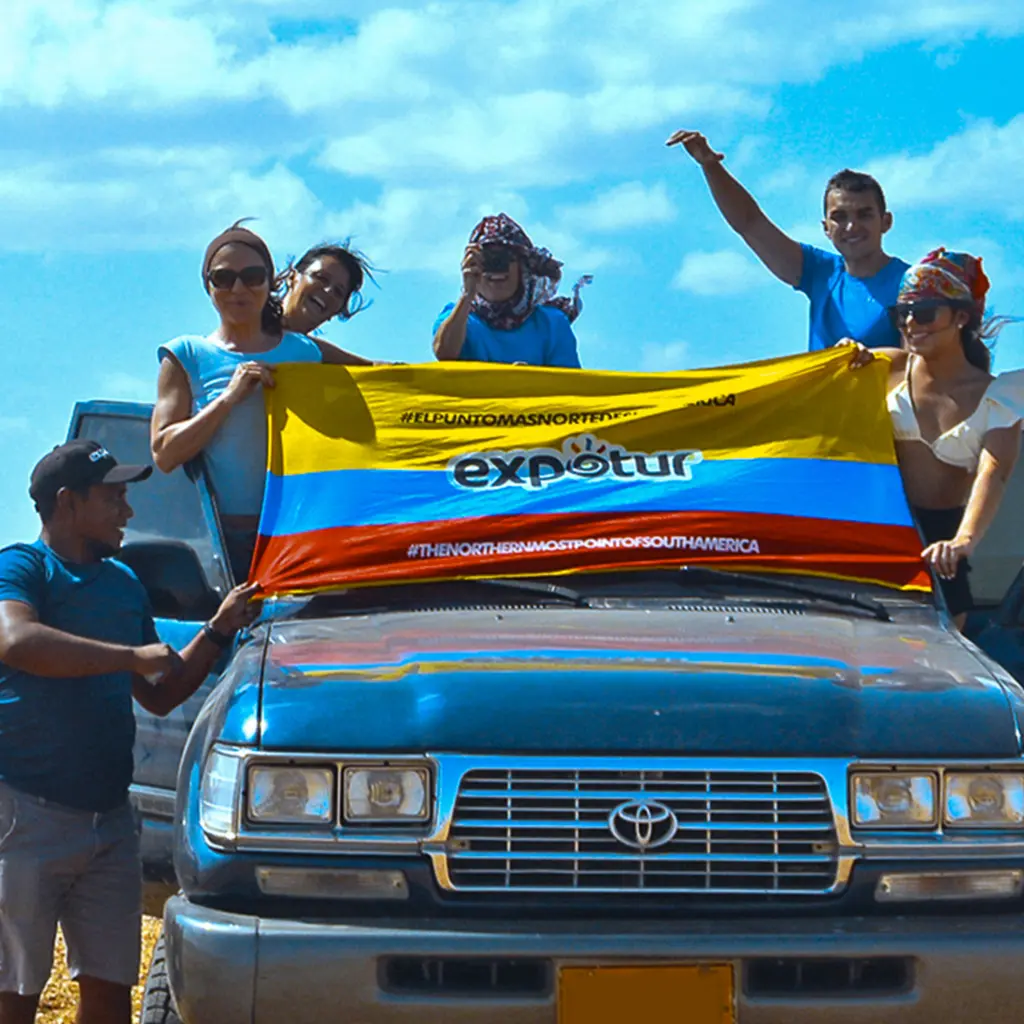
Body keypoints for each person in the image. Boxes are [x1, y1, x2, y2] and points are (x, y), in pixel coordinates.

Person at [0, 440, 257, 1024]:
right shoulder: (21, 568)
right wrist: (129, 656)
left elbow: (162, 691)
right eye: (114, 497)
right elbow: (16, 642)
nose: (128, 511)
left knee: (112, 992)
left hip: (110, 824)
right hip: (24, 816)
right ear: (67, 503)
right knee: (15, 991)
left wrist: (215, 631)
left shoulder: (122, 583)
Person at [849, 249, 1023, 625]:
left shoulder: (998, 397)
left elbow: (994, 474)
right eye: (903, 313)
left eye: (925, 312)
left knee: (938, 671)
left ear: (961, 317)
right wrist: (837, 363)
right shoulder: (888, 367)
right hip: (877, 535)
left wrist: (962, 543)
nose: (911, 323)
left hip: (942, 553)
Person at [151, 223, 326, 581]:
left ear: (271, 281)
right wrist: (230, 398)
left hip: (292, 535)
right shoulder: (187, 355)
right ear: (208, 287)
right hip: (215, 542)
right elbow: (164, 453)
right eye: (224, 278)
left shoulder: (304, 353)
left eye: (252, 276)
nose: (238, 289)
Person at [667, 130, 908, 351]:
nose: (851, 226)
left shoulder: (911, 285)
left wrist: (874, 360)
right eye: (839, 217)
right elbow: (750, 223)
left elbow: (925, 368)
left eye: (864, 215)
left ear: (886, 222)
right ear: (826, 228)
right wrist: (710, 167)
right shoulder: (820, 273)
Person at [432, 213, 590, 367]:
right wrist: (467, 295)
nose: (496, 269)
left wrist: (533, 381)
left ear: (523, 269)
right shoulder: (457, 319)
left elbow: (570, 385)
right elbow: (444, 354)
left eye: (505, 258)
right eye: (487, 259)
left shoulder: (553, 324)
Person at [279, 242, 378, 366]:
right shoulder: (249, 320)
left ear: (337, 311)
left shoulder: (311, 354)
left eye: (338, 292)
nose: (328, 291)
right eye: (321, 278)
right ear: (292, 277)